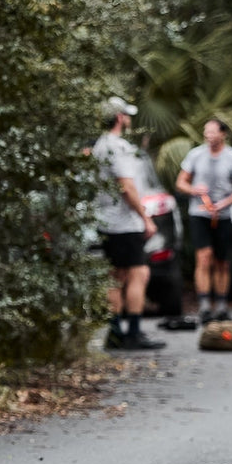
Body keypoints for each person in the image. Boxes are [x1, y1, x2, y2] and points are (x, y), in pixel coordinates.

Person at [92, 96, 165, 350]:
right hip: (124, 222)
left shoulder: (100, 145)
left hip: (106, 220)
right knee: (139, 274)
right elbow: (127, 185)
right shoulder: (117, 146)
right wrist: (145, 218)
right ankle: (133, 332)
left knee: (116, 276)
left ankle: (115, 333)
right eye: (128, 115)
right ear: (120, 117)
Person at [175, 118, 232, 323]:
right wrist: (193, 189)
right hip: (200, 213)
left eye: (213, 132)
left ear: (223, 134)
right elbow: (180, 182)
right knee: (204, 257)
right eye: (206, 132)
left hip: (223, 215)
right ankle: (205, 305)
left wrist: (226, 202)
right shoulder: (196, 155)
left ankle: (222, 305)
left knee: (222, 262)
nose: (208, 135)